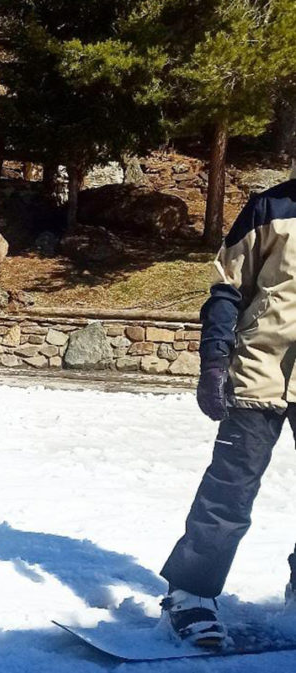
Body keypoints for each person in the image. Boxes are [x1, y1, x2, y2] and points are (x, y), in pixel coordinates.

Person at [159, 178, 296, 647]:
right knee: (230, 490)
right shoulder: (271, 207)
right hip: (262, 374)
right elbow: (227, 290)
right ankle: (190, 594)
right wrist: (215, 360)